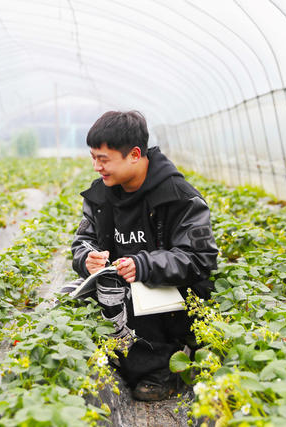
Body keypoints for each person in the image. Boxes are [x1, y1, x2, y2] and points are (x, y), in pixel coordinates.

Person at [70, 111, 218, 401]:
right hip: (121, 285)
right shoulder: (101, 195)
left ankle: (163, 369)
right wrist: (86, 258)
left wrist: (144, 265)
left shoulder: (178, 195)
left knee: (137, 294)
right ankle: (120, 358)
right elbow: (83, 240)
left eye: (103, 159)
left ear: (134, 154)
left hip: (172, 295)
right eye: (93, 157)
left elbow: (201, 257)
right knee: (67, 298)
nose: (96, 166)